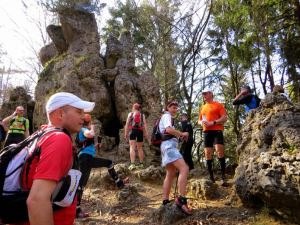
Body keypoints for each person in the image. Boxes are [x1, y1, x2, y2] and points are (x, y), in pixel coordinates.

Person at [12, 92, 95, 225]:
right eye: (78, 111)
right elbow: (37, 200)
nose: (83, 117)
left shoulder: (42, 134)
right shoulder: (59, 139)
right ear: (60, 114)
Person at [76, 113, 128, 218]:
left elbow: (86, 144)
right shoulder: (83, 129)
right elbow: (89, 134)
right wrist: (93, 128)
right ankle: (76, 210)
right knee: (81, 184)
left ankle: (119, 183)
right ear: (88, 122)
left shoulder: (83, 131)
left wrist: (96, 145)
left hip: (87, 158)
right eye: (90, 122)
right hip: (85, 158)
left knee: (108, 163)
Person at [159, 100, 192, 215]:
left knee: (170, 173)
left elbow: (168, 131)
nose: (175, 109)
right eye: (172, 107)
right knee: (184, 169)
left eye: (176, 107)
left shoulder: (166, 117)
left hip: (165, 147)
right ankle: (181, 200)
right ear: (167, 108)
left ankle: (165, 200)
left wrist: (178, 136)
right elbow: (168, 130)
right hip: (169, 147)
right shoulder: (167, 116)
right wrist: (182, 134)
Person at [198, 88, 228, 185]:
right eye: (203, 94)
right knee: (207, 153)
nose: (204, 95)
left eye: (205, 93)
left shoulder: (218, 105)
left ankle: (223, 177)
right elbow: (199, 120)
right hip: (206, 132)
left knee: (220, 151)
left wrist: (213, 122)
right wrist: (202, 122)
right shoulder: (203, 107)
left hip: (217, 130)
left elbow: (224, 117)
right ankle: (211, 178)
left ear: (211, 94)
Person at [124, 103, 150, 170]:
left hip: (132, 131)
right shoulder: (142, 115)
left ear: (133, 108)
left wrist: (126, 133)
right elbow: (144, 125)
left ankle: (132, 164)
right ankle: (141, 164)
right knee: (140, 148)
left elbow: (127, 124)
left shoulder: (130, 114)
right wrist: (146, 133)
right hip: (140, 132)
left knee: (132, 147)